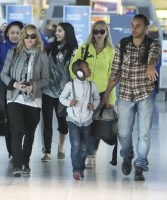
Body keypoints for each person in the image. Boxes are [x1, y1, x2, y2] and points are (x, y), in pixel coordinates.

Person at [103, 14, 161, 181]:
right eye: (132, 25)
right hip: (125, 95)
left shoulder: (152, 44)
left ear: (146, 28)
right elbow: (115, 72)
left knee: (144, 133)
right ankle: (127, 155)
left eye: (138, 26)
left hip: (144, 95)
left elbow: (154, 56)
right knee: (123, 133)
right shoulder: (123, 45)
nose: (134, 29)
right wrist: (106, 94)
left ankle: (140, 165)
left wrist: (150, 65)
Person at [1, 24, 49, 177]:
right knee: (16, 130)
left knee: (29, 132)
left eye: (33, 36)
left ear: (37, 38)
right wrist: (15, 84)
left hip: (33, 99)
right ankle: (17, 165)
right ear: (22, 37)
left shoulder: (42, 55)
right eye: (26, 35)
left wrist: (33, 85)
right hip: (14, 97)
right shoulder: (13, 52)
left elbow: (46, 79)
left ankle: (25, 163)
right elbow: (3, 74)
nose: (29, 38)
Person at [69, 20, 116, 168]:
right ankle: (84, 151)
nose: (99, 34)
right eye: (96, 31)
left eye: (102, 31)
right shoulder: (84, 48)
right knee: (83, 124)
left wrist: (110, 97)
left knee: (96, 125)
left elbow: (112, 76)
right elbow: (73, 66)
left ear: (106, 32)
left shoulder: (111, 51)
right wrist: (79, 80)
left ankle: (91, 153)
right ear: (92, 33)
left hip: (102, 93)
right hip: (84, 91)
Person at [0, 21, 24, 159]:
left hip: (21, 87)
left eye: (18, 33)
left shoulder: (26, 48)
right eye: (12, 32)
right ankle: (12, 152)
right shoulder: (1, 47)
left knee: (21, 121)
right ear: (7, 34)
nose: (15, 36)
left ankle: (19, 149)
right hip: (4, 86)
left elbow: (42, 41)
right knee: (9, 121)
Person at [41, 22, 78, 162]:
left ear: (67, 33)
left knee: (63, 123)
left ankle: (61, 147)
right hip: (47, 91)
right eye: (56, 31)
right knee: (47, 122)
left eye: (60, 31)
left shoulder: (75, 50)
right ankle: (47, 151)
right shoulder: (49, 48)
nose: (57, 33)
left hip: (64, 94)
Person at [59, 59, 100, 180]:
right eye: (87, 68)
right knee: (75, 145)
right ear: (80, 73)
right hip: (73, 120)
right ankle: (76, 169)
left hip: (87, 121)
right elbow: (62, 98)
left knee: (84, 147)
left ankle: (80, 168)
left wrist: (94, 105)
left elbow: (97, 99)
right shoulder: (70, 85)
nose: (89, 69)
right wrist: (69, 102)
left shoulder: (92, 85)